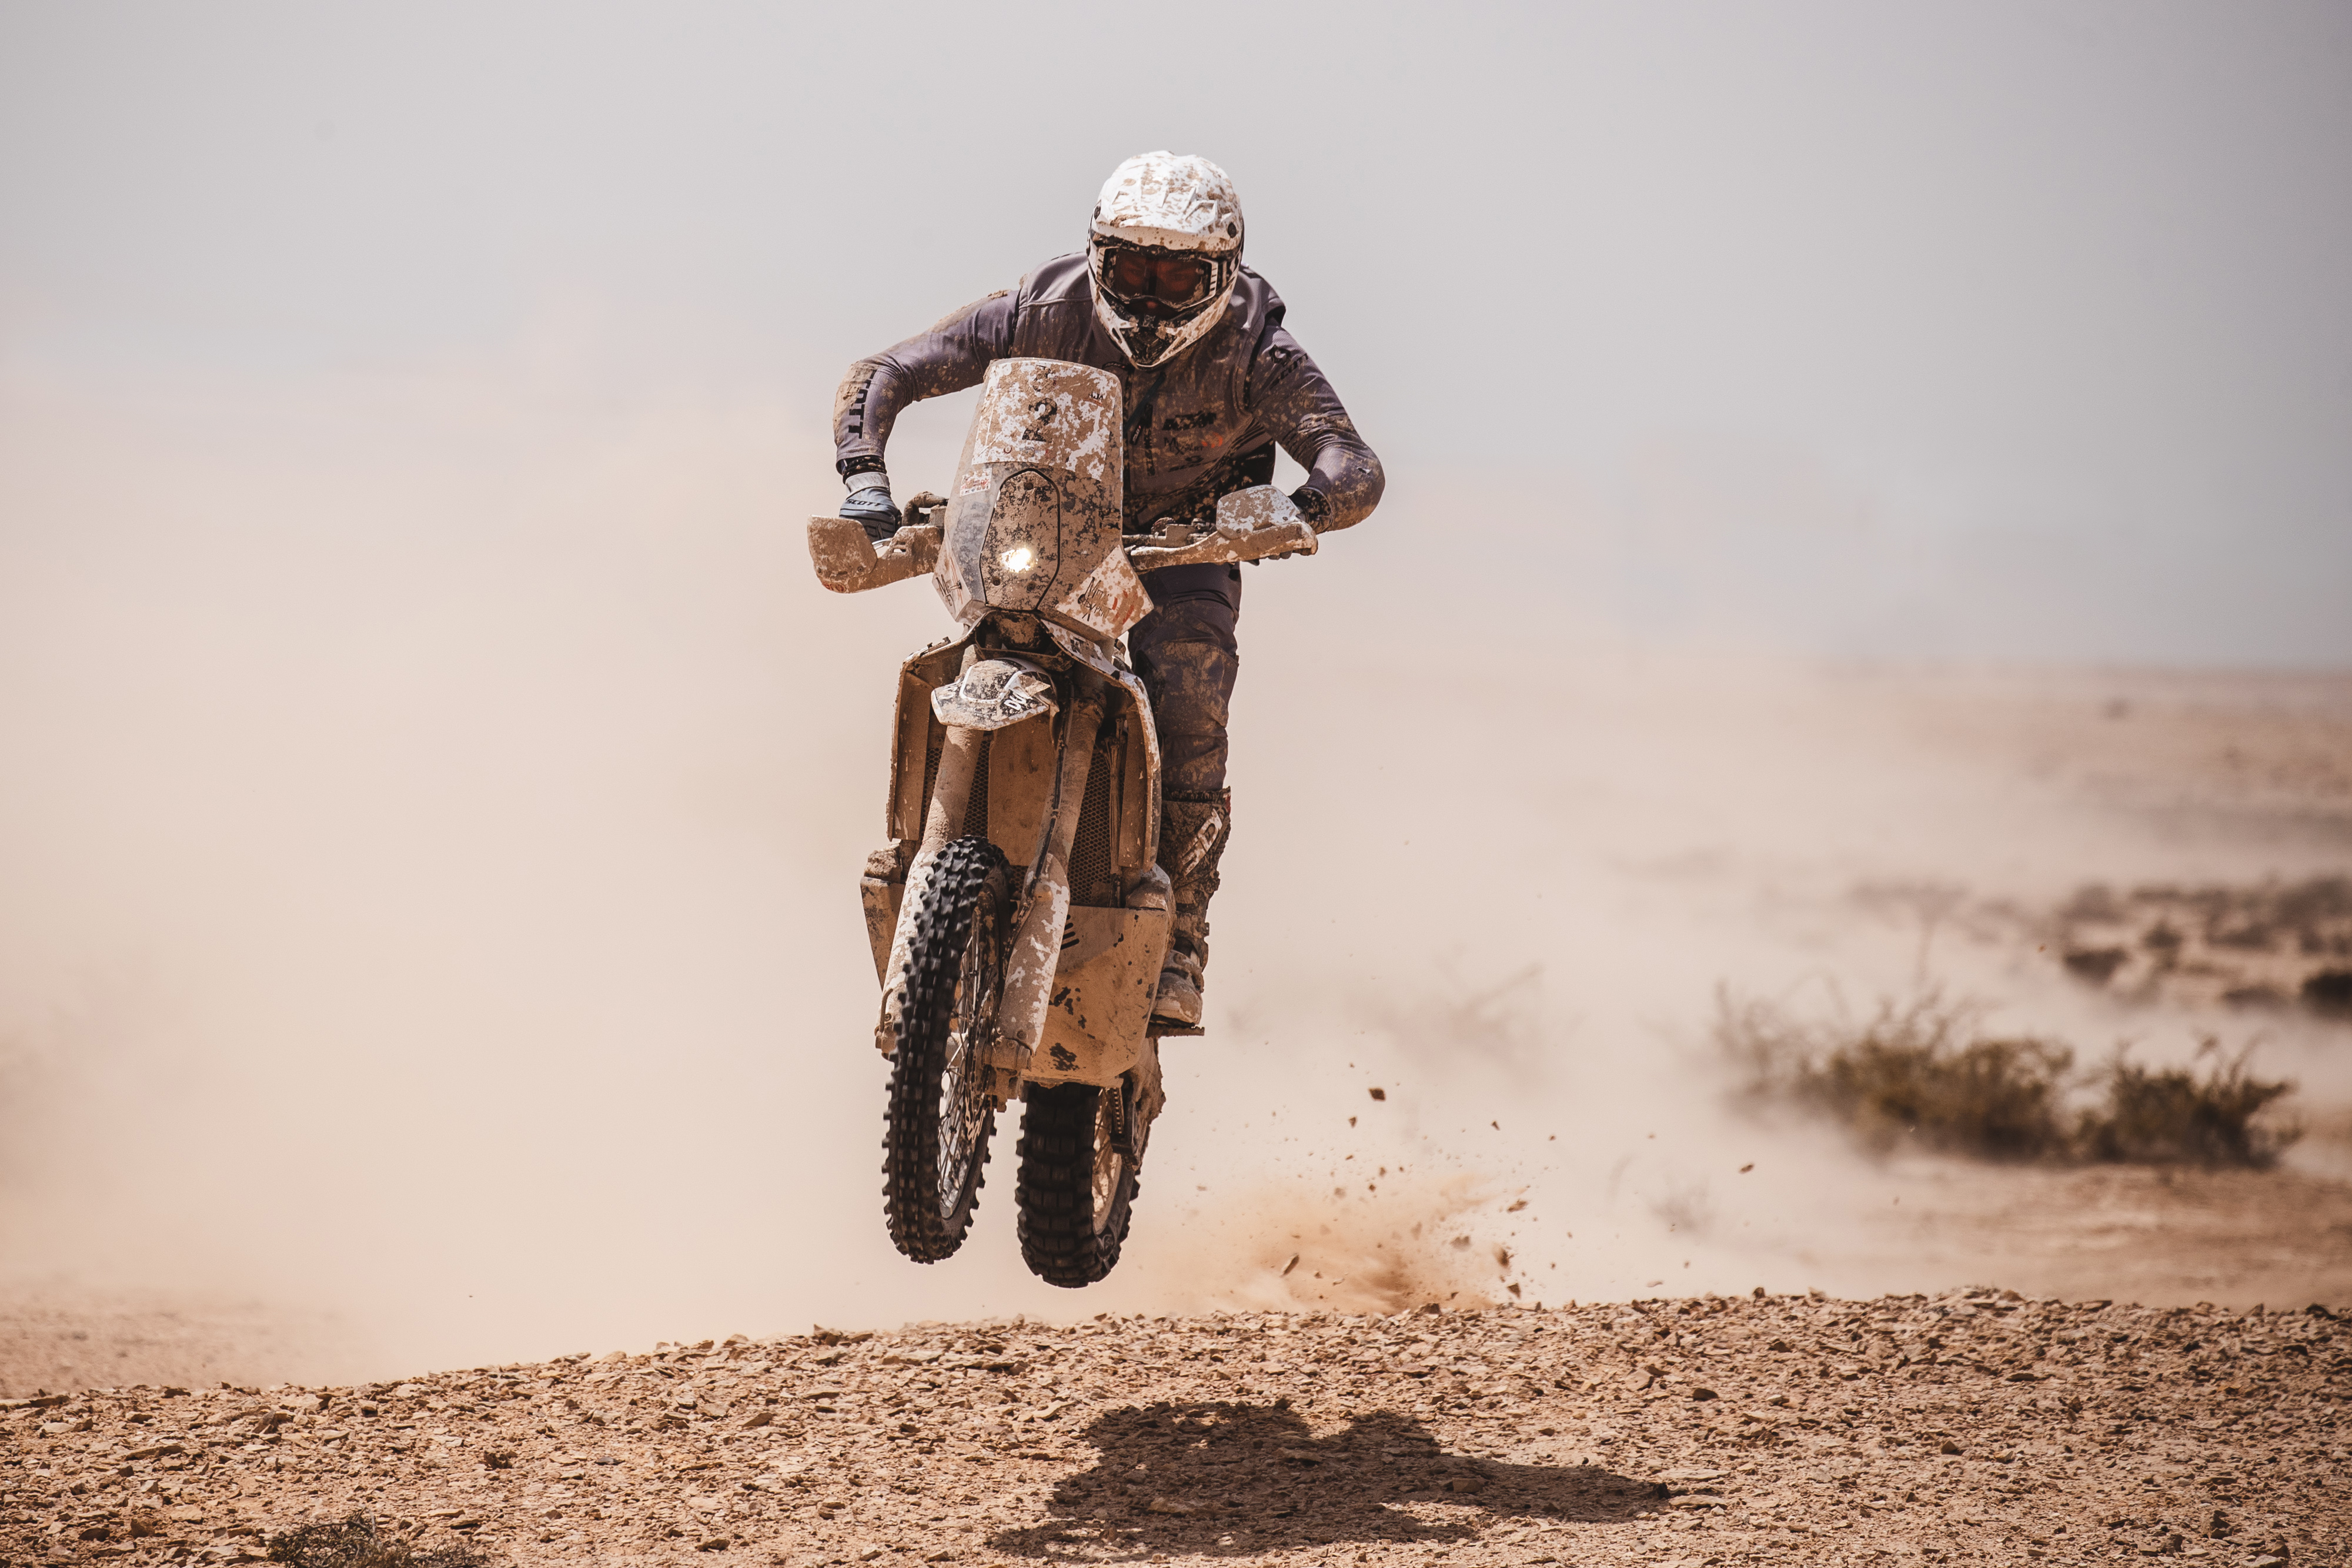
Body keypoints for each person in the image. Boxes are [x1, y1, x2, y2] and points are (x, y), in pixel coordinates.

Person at [830, 151, 1384, 1028]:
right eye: (1132, 270)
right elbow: (886, 372)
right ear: (1097, 256)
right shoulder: (1039, 311)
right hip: (1039, 526)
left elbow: (1353, 462)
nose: (1151, 298)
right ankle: (923, 859)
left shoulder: (1260, 352)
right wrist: (866, 482)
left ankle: (1184, 932)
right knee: (962, 642)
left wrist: (1298, 507)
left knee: (1191, 685)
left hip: (1182, 547)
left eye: (1177, 277)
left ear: (1222, 274)